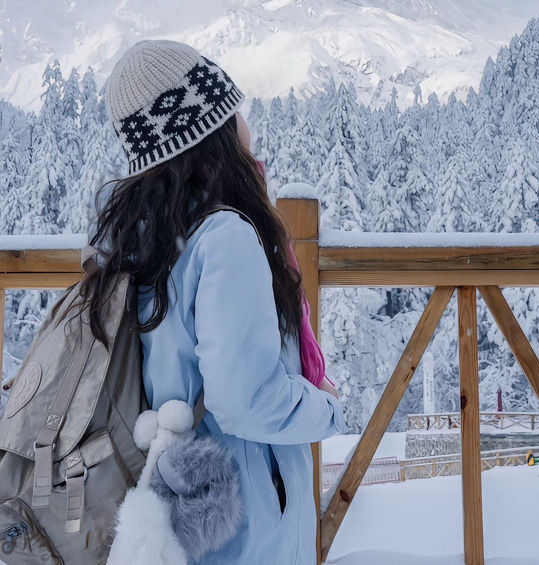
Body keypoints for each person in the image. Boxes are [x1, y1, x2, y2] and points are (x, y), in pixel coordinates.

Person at [83, 39, 347, 565]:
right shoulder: (224, 236)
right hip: (241, 518)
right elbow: (244, 401)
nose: (246, 122)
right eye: (234, 108)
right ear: (213, 128)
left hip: (183, 502)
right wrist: (328, 410)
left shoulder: (142, 236)